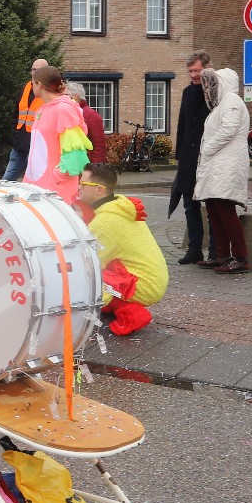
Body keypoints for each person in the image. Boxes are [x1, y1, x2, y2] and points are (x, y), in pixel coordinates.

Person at [77, 163, 169, 336]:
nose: (78, 187)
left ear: (99, 190)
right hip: (152, 279)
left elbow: (90, 265)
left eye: (83, 183)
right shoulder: (118, 206)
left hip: (143, 285)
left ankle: (133, 314)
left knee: (87, 275)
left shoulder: (106, 222)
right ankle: (117, 303)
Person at [193, 68, 252, 273]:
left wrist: (207, 149)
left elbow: (229, 129)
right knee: (214, 208)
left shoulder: (231, 101)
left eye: (213, 83)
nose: (209, 88)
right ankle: (222, 255)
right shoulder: (222, 104)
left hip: (227, 164)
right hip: (218, 164)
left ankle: (240, 258)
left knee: (224, 210)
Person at [169, 52, 212, 265]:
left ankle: (216, 250)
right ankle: (195, 248)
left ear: (208, 68)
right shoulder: (187, 92)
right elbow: (182, 124)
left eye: (197, 70)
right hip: (189, 156)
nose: (194, 75)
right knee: (189, 205)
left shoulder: (215, 92)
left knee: (213, 205)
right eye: (191, 71)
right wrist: (180, 155)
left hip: (208, 155)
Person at [23, 67, 90, 206]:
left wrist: (56, 177)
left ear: (39, 85)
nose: (31, 87)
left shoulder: (64, 109)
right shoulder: (42, 109)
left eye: (33, 83)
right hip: (37, 188)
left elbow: (74, 152)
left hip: (55, 191)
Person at [2, 58, 49, 179]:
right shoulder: (26, 88)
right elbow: (16, 113)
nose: (35, 73)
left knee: (35, 182)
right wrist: (15, 133)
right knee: (6, 181)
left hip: (37, 147)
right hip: (20, 145)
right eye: (33, 69)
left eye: (39, 70)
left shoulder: (50, 92)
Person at [66, 83, 106, 166]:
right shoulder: (65, 113)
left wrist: (95, 167)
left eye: (66, 95)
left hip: (85, 163)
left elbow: (98, 144)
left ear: (75, 96)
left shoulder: (91, 115)